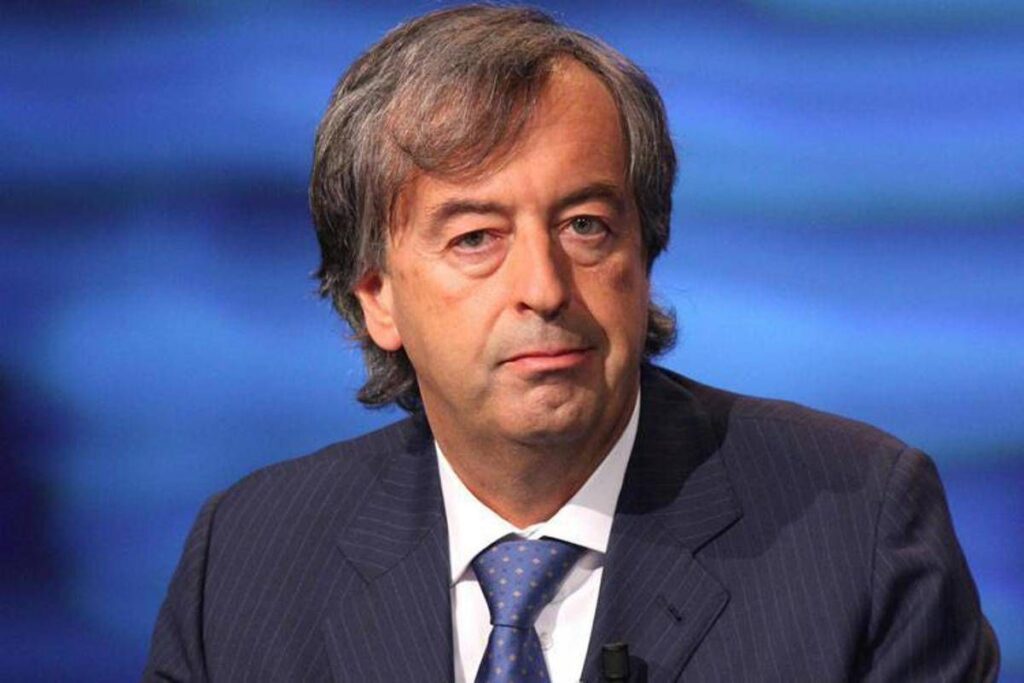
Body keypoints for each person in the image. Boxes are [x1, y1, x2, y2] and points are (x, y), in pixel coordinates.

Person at [144, 5, 999, 682]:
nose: (545, 287)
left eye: (585, 225)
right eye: (476, 238)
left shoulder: (857, 526)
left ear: (644, 253)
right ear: (377, 298)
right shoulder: (248, 561)